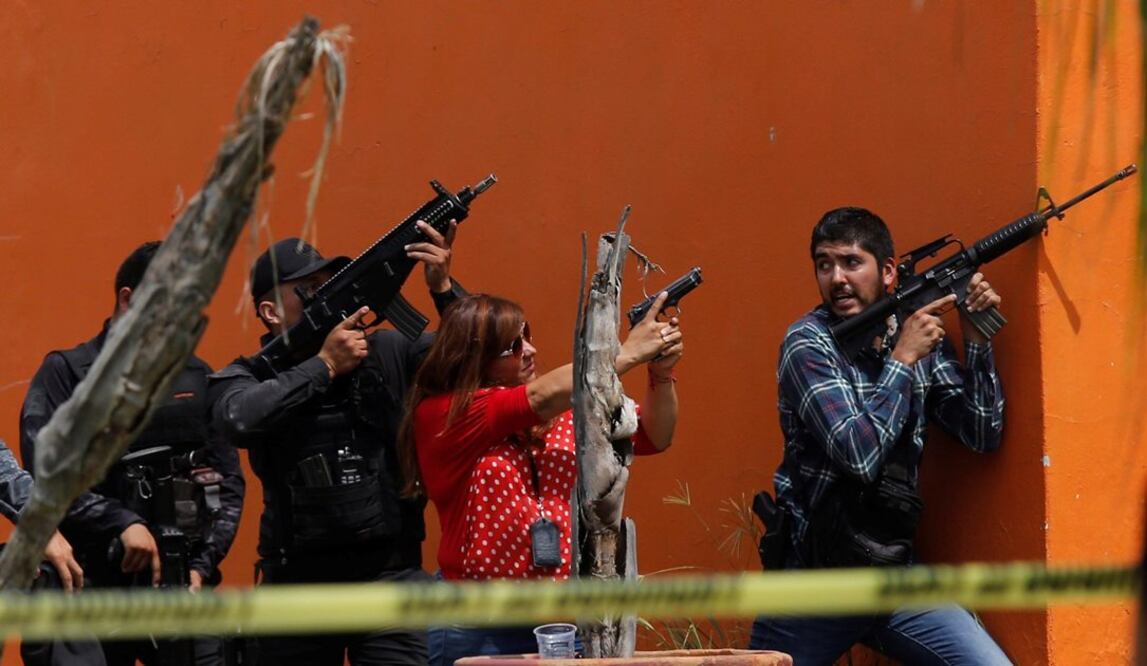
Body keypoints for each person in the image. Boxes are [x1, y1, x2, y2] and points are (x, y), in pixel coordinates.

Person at [748, 207, 1010, 664]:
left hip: (892, 570)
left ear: (888, 271)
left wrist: (976, 339)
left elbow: (982, 433)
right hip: (815, 577)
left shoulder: (915, 333)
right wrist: (902, 362)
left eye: (852, 262)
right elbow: (859, 456)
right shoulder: (807, 344)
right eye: (824, 264)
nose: (837, 278)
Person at [208, 223, 461, 666]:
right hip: (299, 588)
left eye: (327, 286)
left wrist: (443, 287)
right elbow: (237, 419)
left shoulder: (386, 351)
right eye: (306, 289)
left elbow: (475, 358)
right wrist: (324, 366)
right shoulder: (246, 376)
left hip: (391, 580)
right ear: (269, 311)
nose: (322, 297)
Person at [401, 292, 683, 665]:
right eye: (512, 347)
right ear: (472, 358)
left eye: (527, 337)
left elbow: (653, 434)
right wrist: (628, 354)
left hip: (561, 619)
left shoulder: (562, 408)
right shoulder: (447, 414)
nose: (530, 350)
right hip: (476, 622)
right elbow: (537, 398)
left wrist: (660, 375)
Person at [21, 240, 246, 666]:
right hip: (88, 592)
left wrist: (199, 567)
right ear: (129, 297)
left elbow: (228, 483)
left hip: (181, 591)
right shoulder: (67, 373)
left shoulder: (197, 378)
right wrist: (123, 523)